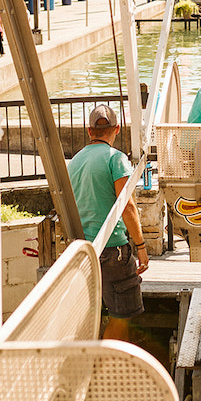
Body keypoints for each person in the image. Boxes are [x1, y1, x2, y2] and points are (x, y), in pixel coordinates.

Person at [67, 105, 149, 341]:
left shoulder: (75, 161)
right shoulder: (116, 158)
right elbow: (128, 206)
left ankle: (89, 366)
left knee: (87, 317)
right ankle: (107, 372)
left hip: (83, 251)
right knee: (121, 316)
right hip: (113, 251)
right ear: (117, 129)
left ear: (89, 131)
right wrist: (141, 247)